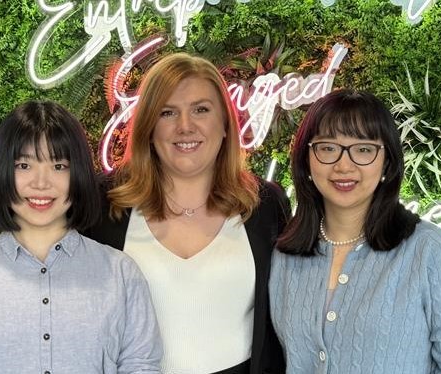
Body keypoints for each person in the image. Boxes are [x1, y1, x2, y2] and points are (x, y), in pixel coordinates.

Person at [0, 100, 161, 373]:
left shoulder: (122, 275)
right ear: (2, 171)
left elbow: (142, 366)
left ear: (78, 173)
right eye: (23, 165)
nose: (41, 183)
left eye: (58, 166)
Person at [84, 53, 289, 374]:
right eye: (167, 113)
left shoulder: (264, 205)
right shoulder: (101, 204)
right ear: (149, 127)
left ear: (225, 124)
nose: (185, 126)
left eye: (201, 110)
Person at [269, 89, 441, 373]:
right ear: (306, 159)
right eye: (328, 147)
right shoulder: (286, 254)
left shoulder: (428, 251)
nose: (344, 165)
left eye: (363, 149)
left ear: (386, 162)